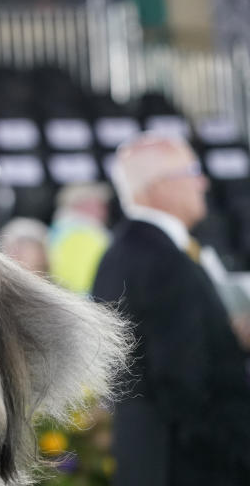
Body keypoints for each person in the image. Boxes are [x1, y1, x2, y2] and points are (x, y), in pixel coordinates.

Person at [92, 132, 250, 486]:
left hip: (147, 457)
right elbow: (180, 380)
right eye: (191, 170)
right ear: (158, 186)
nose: (202, 181)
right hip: (190, 465)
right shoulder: (162, 259)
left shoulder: (120, 253)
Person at [46, 182, 111, 294]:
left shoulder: (60, 230)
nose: (104, 210)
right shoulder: (83, 234)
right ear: (81, 204)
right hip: (90, 301)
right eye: (98, 204)